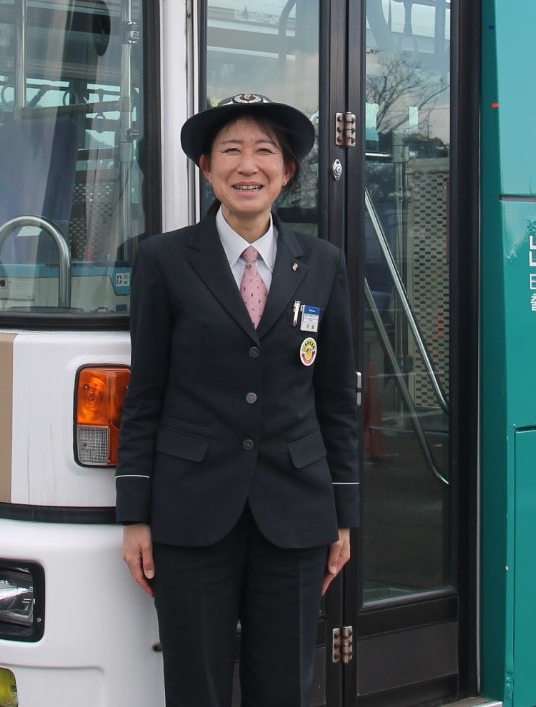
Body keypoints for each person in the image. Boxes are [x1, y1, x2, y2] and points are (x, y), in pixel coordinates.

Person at [117, 92, 360, 707]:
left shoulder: (323, 263)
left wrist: (343, 515)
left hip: (297, 514)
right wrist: (135, 515)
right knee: (195, 686)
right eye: (231, 150)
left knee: (285, 688)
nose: (247, 165)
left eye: (263, 151)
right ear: (206, 167)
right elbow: (144, 394)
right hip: (191, 511)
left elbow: (335, 401)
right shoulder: (163, 260)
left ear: (287, 172)